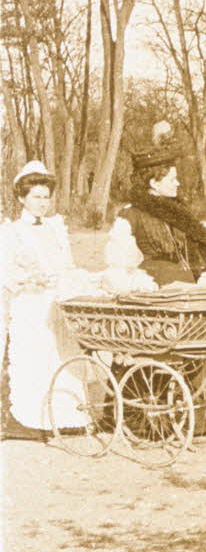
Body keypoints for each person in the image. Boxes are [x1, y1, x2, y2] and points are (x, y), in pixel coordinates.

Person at [0, 161, 95, 438]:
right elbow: (5, 272)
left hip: (57, 302)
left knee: (63, 356)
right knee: (35, 360)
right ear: (21, 198)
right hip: (29, 304)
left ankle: (67, 418)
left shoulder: (56, 228)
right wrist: (30, 279)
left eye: (46, 197)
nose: (42, 203)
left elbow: (66, 265)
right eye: (36, 197)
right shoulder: (11, 232)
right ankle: (31, 422)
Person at [111, 121, 206, 286]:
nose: (178, 184)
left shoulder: (179, 214)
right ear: (154, 183)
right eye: (172, 179)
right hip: (152, 288)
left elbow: (193, 254)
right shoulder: (131, 214)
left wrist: (203, 272)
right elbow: (119, 264)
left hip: (186, 286)